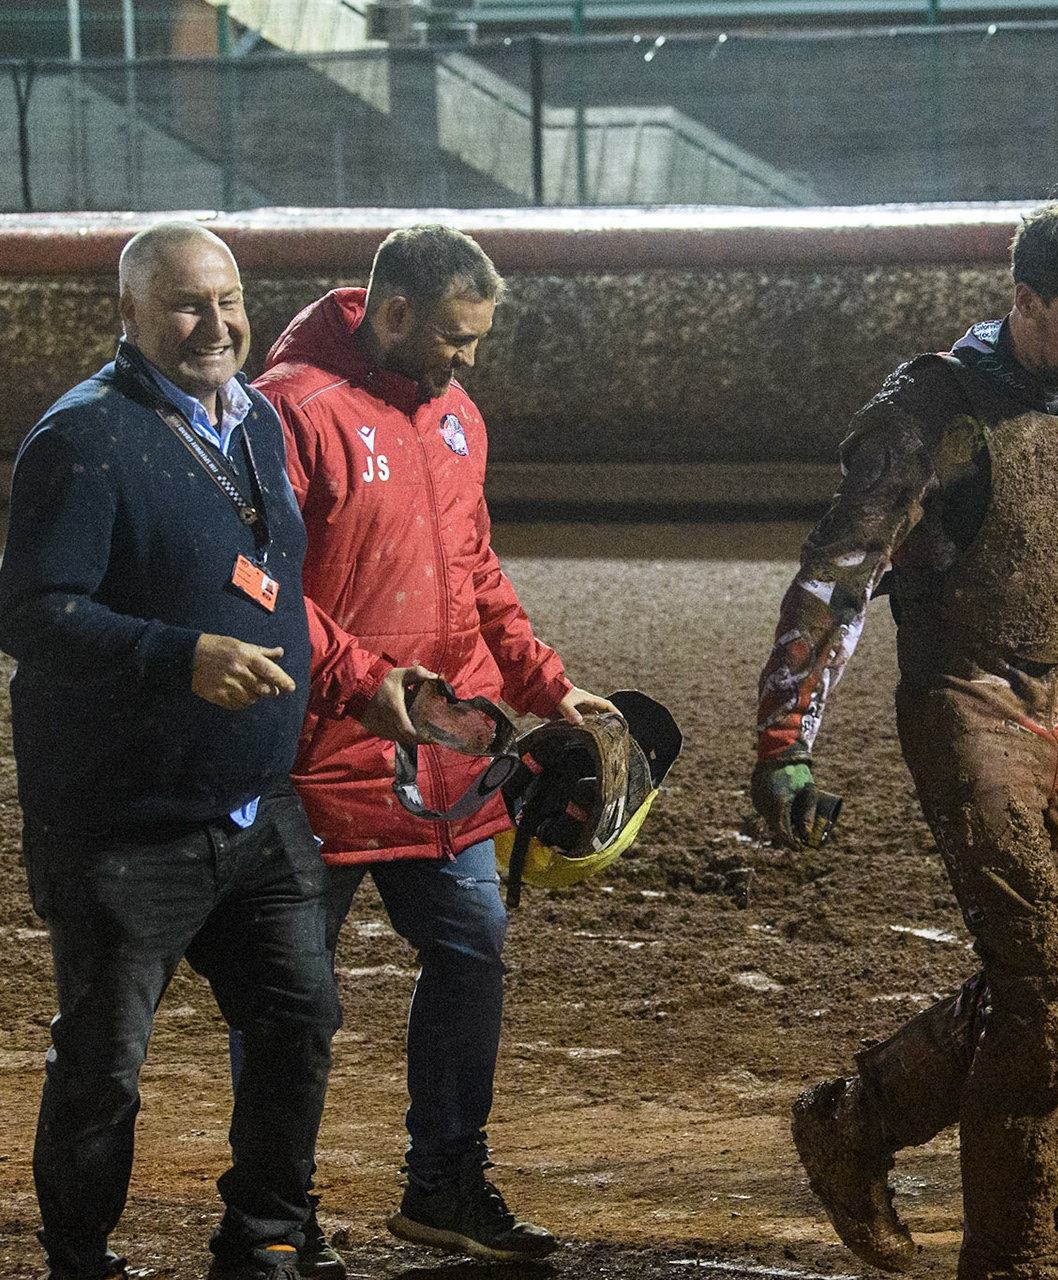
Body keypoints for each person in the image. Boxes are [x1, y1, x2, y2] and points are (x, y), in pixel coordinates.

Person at [751, 197, 1058, 1280]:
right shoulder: (930, 412)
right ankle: (1014, 1247)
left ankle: (853, 1125)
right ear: (1022, 299)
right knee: (1057, 993)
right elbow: (840, 576)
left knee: (1054, 992)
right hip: (962, 703)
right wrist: (786, 738)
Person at [0, 222, 421, 1280]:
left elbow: (272, 591)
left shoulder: (257, 425)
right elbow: (32, 613)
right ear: (129, 315)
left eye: (228, 299)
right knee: (103, 1064)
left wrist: (361, 683)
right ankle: (79, 1259)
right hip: (121, 827)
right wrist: (177, 654)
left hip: (251, 807)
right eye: (187, 304)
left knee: (300, 1014)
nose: (216, 323)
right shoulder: (83, 438)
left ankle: (264, 1230)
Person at [243, 224, 618, 1263]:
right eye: (455, 337)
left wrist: (548, 683)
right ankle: (276, 1217)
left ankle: (444, 1184)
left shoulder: (457, 414)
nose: (468, 358)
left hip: (446, 756)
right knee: (290, 996)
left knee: (473, 954)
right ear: (394, 312)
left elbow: (476, 570)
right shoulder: (287, 411)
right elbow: (264, 593)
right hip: (319, 758)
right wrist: (366, 686)